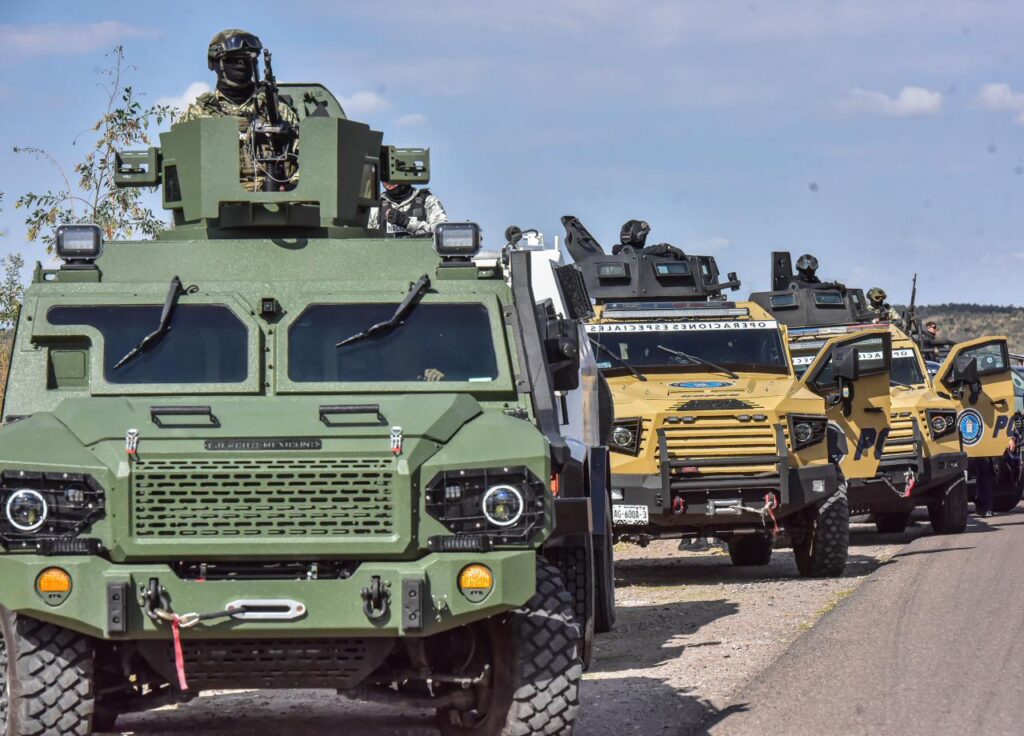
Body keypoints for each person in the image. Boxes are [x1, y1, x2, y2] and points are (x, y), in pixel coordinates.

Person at [180, 29, 300, 190]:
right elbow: (180, 167)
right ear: (214, 63)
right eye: (233, 60)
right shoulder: (197, 116)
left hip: (279, 201)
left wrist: (294, 186)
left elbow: (310, 156)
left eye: (247, 59)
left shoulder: (279, 111)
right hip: (218, 201)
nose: (241, 64)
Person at [369, 182, 447, 237]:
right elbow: (367, 239)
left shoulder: (428, 201)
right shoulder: (375, 206)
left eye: (394, 176)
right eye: (385, 177)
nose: (390, 181)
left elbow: (441, 234)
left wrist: (407, 222)